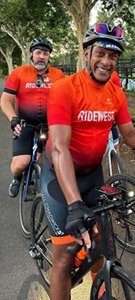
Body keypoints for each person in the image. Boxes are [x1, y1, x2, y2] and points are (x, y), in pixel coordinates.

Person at [42, 23, 135, 300]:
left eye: (113, 57)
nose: (106, 62)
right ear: (87, 54)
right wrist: (74, 204)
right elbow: (60, 149)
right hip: (60, 178)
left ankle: (100, 292)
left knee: (101, 244)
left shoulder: (115, 92)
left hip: (92, 175)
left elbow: (129, 134)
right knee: (63, 259)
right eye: (101, 53)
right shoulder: (65, 89)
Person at [0, 37, 65, 198]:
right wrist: (13, 118)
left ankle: (48, 192)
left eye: (45, 53)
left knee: (47, 161)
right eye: (38, 53)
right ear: (31, 55)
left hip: (49, 125)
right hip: (23, 124)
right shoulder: (19, 73)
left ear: (49, 56)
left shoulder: (58, 75)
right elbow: (5, 100)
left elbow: (67, 99)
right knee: (21, 163)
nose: (41, 56)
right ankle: (17, 178)